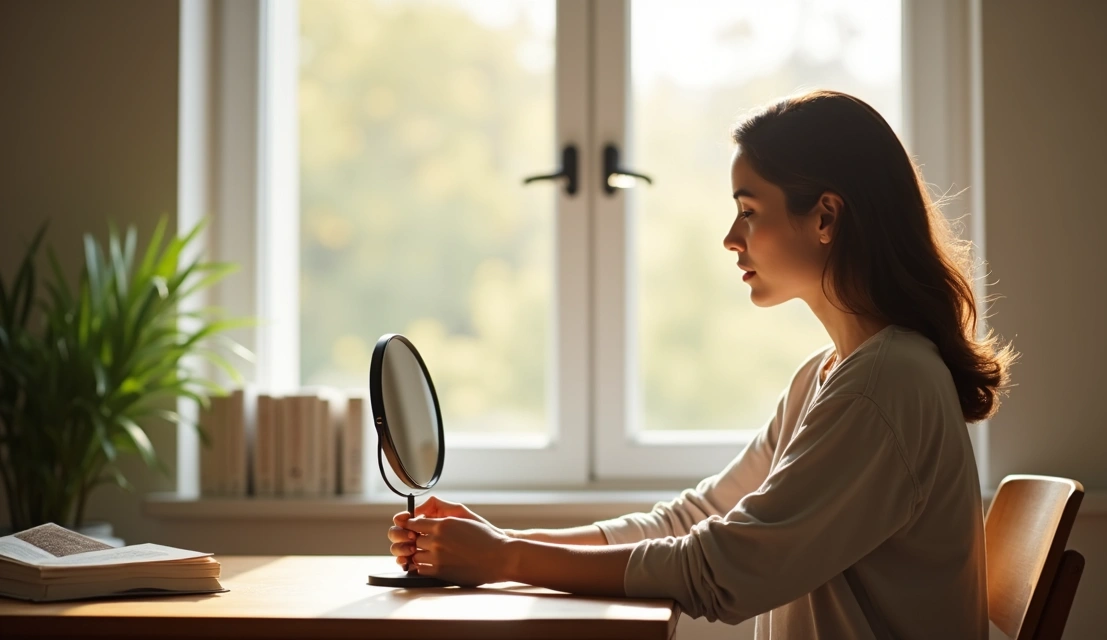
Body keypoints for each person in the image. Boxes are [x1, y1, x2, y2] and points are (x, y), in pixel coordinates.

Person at [387, 89, 1015, 639]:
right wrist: (499, 545)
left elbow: (720, 570)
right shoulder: (828, 376)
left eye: (749, 210)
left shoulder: (885, 386)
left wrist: (505, 559)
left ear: (825, 216)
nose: (730, 237)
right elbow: (697, 519)